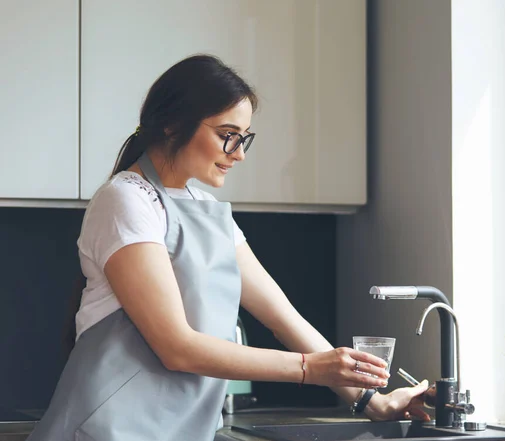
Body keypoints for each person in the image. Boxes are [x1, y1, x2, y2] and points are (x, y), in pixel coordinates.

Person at [27, 54, 429, 441]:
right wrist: (310, 369)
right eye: (227, 136)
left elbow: (284, 319)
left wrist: (373, 402)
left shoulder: (210, 212)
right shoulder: (126, 200)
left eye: (243, 139)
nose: (238, 154)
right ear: (172, 125)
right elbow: (177, 348)